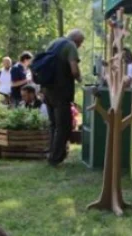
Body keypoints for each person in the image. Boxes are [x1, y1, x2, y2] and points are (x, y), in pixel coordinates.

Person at [43, 29, 85, 166]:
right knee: (64, 126)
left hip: (47, 89)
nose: (79, 46)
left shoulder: (54, 42)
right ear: (77, 41)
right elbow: (74, 70)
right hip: (61, 91)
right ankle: (55, 158)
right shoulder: (70, 46)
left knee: (54, 124)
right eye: (80, 43)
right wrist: (81, 81)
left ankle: (51, 153)